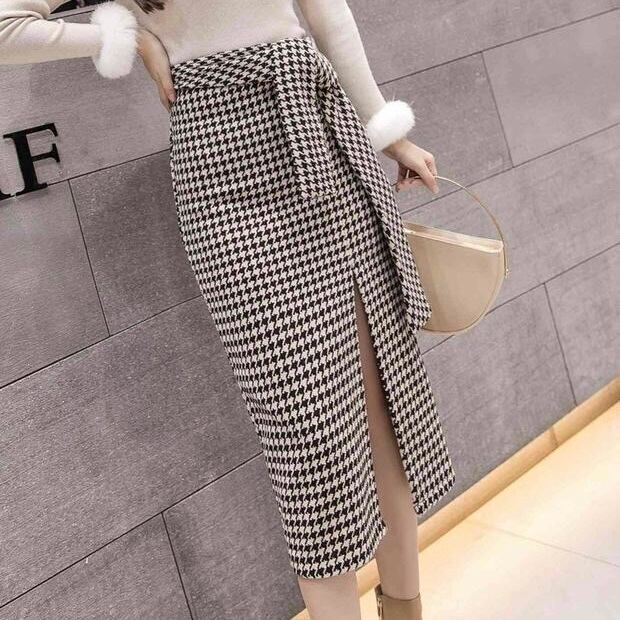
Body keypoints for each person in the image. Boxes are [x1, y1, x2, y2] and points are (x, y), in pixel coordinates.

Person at [0, 2, 456, 618]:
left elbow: (328, 16)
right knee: (305, 436)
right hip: (224, 177)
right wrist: (129, 39)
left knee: (380, 401)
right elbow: (7, 26)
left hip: (319, 133)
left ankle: (404, 609)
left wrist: (389, 131)